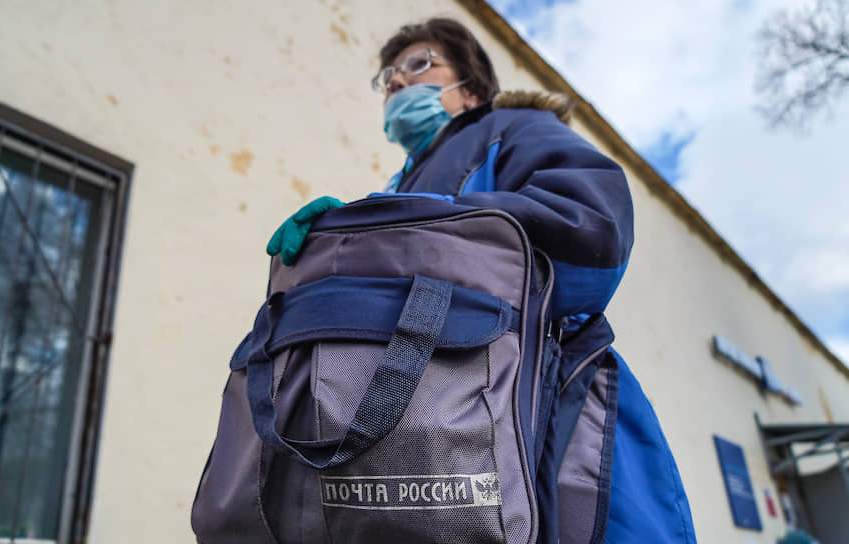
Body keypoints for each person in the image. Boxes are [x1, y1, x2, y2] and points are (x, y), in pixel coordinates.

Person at [269, 17, 696, 543]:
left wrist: (411, 221)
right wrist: (342, 243)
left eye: (418, 64)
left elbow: (592, 228)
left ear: (470, 88)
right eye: (388, 76)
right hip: (423, 445)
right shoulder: (402, 181)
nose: (397, 80)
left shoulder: (511, 127)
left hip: (551, 430)